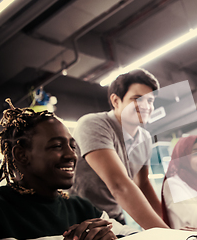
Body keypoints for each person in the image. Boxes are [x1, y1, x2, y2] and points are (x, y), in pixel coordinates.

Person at [0, 100, 134, 240]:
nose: (71, 155)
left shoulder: (82, 208)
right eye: (57, 146)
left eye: (72, 146)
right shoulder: (0, 210)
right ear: (21, 154)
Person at [70, 69, 168, 229]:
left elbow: (142, 184)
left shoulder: (144, 138)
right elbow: (119, 185)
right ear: (116, 101)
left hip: (113, 218)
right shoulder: (93, 124)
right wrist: (167, 233)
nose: (146, 106)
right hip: (80, 220)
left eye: (150, 101)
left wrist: (171, 225)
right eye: (137, 99)